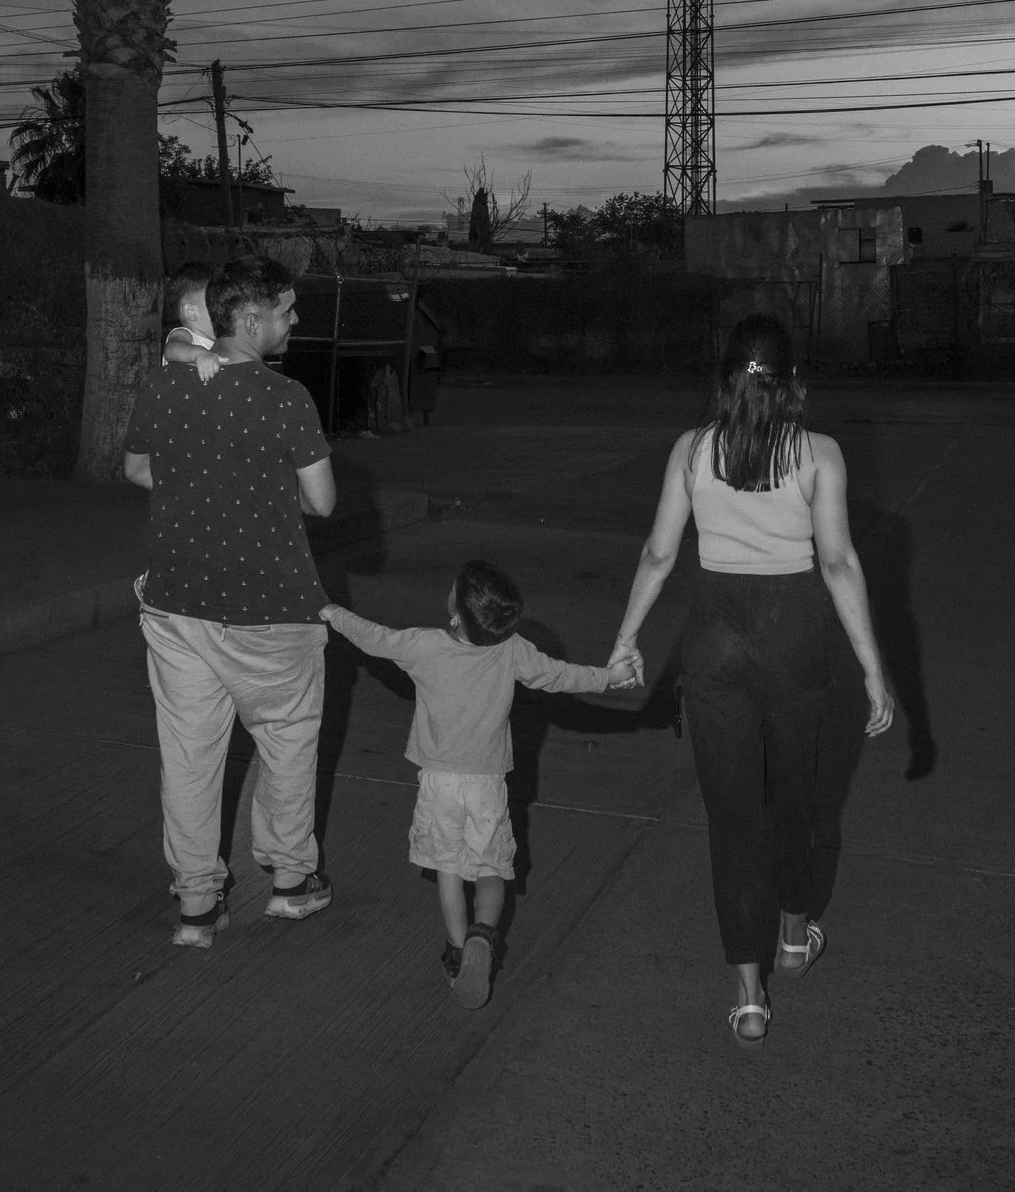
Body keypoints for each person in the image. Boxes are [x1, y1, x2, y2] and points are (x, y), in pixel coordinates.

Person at [609, 314, 893, 1050]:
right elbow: (837, 564)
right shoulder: (818, 453)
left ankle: (749, 997)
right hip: (794, 634)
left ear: (724, 378)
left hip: (715, 637)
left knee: (733, 820)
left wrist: (625, 636)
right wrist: (872, 667)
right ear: (794, 381)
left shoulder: (691, 449)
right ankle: (795, 937)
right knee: (797, 798)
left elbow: (659, 550)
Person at [123, 255, 339, 947]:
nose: (295, 319)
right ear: (250, 319)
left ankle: (196, 906)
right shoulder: (287, 398)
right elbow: (323, 500)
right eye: (287, 308)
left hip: (177, 605)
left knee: (188, 755)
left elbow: (135, 467)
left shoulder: (167, 383)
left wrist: (199, 490)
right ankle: (288, 880)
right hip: (274, 607)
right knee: (285, 742)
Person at [321, 561, 641, 1008]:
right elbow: (559, 675)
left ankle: (457, 955)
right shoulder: (512, 649)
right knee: (492, 870)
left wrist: (333, 613)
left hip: (439, 783)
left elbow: (373, 637)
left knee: (449, 872)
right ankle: (483, 937)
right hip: (487, 783)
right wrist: (610, 677)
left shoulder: (425, 646)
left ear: (456, 612)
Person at [160, 262, 224, 383]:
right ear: (190, 312)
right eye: (216, 303)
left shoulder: (219, 343)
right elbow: (171, 349)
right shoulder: (184, 335)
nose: (223, 310)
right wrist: (200, 354)